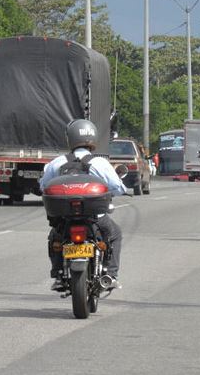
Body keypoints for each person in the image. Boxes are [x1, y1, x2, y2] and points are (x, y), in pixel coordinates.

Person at [40, 118, 126, 291]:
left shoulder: (57, 163)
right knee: (115, 234)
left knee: (54, 238)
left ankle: (58, 274)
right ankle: (110, 274)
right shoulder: (100, 163)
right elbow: (117, 187)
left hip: (64, 219)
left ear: (69, 138)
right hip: (95, 219)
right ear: (92, 138)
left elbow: (44, 187)